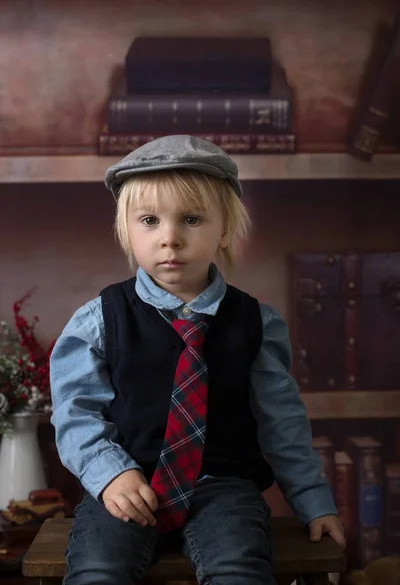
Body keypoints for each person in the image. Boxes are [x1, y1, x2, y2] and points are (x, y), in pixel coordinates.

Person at [50, 134, 345, 585]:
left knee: (239, 569)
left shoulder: (256, 323)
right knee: (97, 571)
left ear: (224, 228)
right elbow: (75, 412)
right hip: (128, 486)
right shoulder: (99, 320)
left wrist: (314, 501)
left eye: (191, 219)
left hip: (223, 486)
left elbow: (282, 422)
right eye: (149, 220)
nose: (170, 238)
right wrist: (109, 475)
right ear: (127, 229)